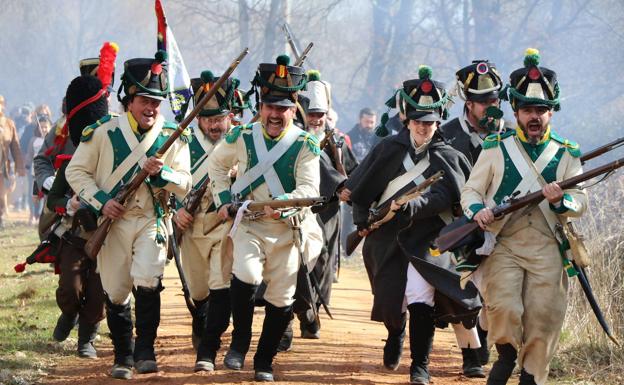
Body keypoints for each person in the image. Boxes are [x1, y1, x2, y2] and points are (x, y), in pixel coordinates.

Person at [461, 48, 587, 385]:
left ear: (551, 114)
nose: (535, 117)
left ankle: (530, 375)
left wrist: (562, 202)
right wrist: (478, 211)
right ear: (515, 111)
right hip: (504, 244)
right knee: (503, 308)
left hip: (548, 247)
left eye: (541, 111)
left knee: (543, 320)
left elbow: (581, 201)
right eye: (528, 110)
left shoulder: (566, 152)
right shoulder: (495, 147)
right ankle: (504, 355)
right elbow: (471, 191)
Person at [66, 51, 192, 380]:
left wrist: (162, 175)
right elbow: (76, 173)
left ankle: (145, 351)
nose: (151, 108)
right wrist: (102, 202)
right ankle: (122, 356)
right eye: (145, 101)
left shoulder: (172, 136)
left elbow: (186, 182)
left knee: (149, 279)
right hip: (114, 224)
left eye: (156, 102)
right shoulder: (103, 132)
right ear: (129, 99)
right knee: (116, 290)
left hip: (151, 219)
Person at [346, 65, 476, 385]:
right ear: (407, 118)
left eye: (429, 122)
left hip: (427, 235)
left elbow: (449, 195)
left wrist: (416, 205)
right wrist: (363, 221)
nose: (423, 127)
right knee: (391, 300)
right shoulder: (387, 148)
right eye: (418, 121)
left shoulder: (447, 153)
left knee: (421, 296)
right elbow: (361, 189)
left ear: (438, 121)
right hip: (387, 234)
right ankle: (394, 334)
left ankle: (421, 366)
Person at [208, 54, 323, 382]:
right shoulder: (242, 136)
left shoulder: (305, 144)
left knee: (282, 297)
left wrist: (283, 203)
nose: (275, 114)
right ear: (261, 106)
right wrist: (223, 199)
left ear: (294, 108)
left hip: (287, 229)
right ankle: (239, 341)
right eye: (269, 106)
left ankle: (264, 360)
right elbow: (217, 166)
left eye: (283, 107)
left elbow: (308, 187)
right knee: (244, 273)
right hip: (249, 223)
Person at [439, 59, 511, 370]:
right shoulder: (445, 134)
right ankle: (471, 356)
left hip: (502, 223)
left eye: (494, 100)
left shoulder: (512, 134)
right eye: (483, 102)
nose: (490, 107)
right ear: (469, 104)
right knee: (462, 292)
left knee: (493, 292)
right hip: (457, 222)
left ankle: (486, 340)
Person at [171, 70, 240, 372]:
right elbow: (164, 184)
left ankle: (208, 350)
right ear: (198, 119)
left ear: (229, 117)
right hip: (192, 227)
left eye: (219, 118)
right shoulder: (182, 143)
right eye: (208, 119)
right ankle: (202, 322)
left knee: (220, 284)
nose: (214, 125)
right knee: (199, 291)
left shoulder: (240, 143)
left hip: (225, 226)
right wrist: (176, 209)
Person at [48, 75, 108, 359]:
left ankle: (87, 340)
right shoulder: (70, 164)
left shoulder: (115, 163)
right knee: (69, 289)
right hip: (75, 236)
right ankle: (68, 315)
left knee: (98, 296)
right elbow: (53, 199)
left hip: (109, 238)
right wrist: (69, 204)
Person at [0, 94, 26, 226]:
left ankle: (2, 214)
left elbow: (15, 146)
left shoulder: (9, 124)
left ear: (3, 106)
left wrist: (20, 166)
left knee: (4, 190)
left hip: (3, 165)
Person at [26, 115, 51, 223]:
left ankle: (40, 217)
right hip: (33, 172)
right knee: (32, 194)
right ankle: (32, 215)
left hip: (46, 173)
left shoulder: (52, 140)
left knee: (44, 195)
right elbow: (30, 155)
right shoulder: (33, 140)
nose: (44, 129)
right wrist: (26, 165)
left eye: (46, 127)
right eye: (42, 127)